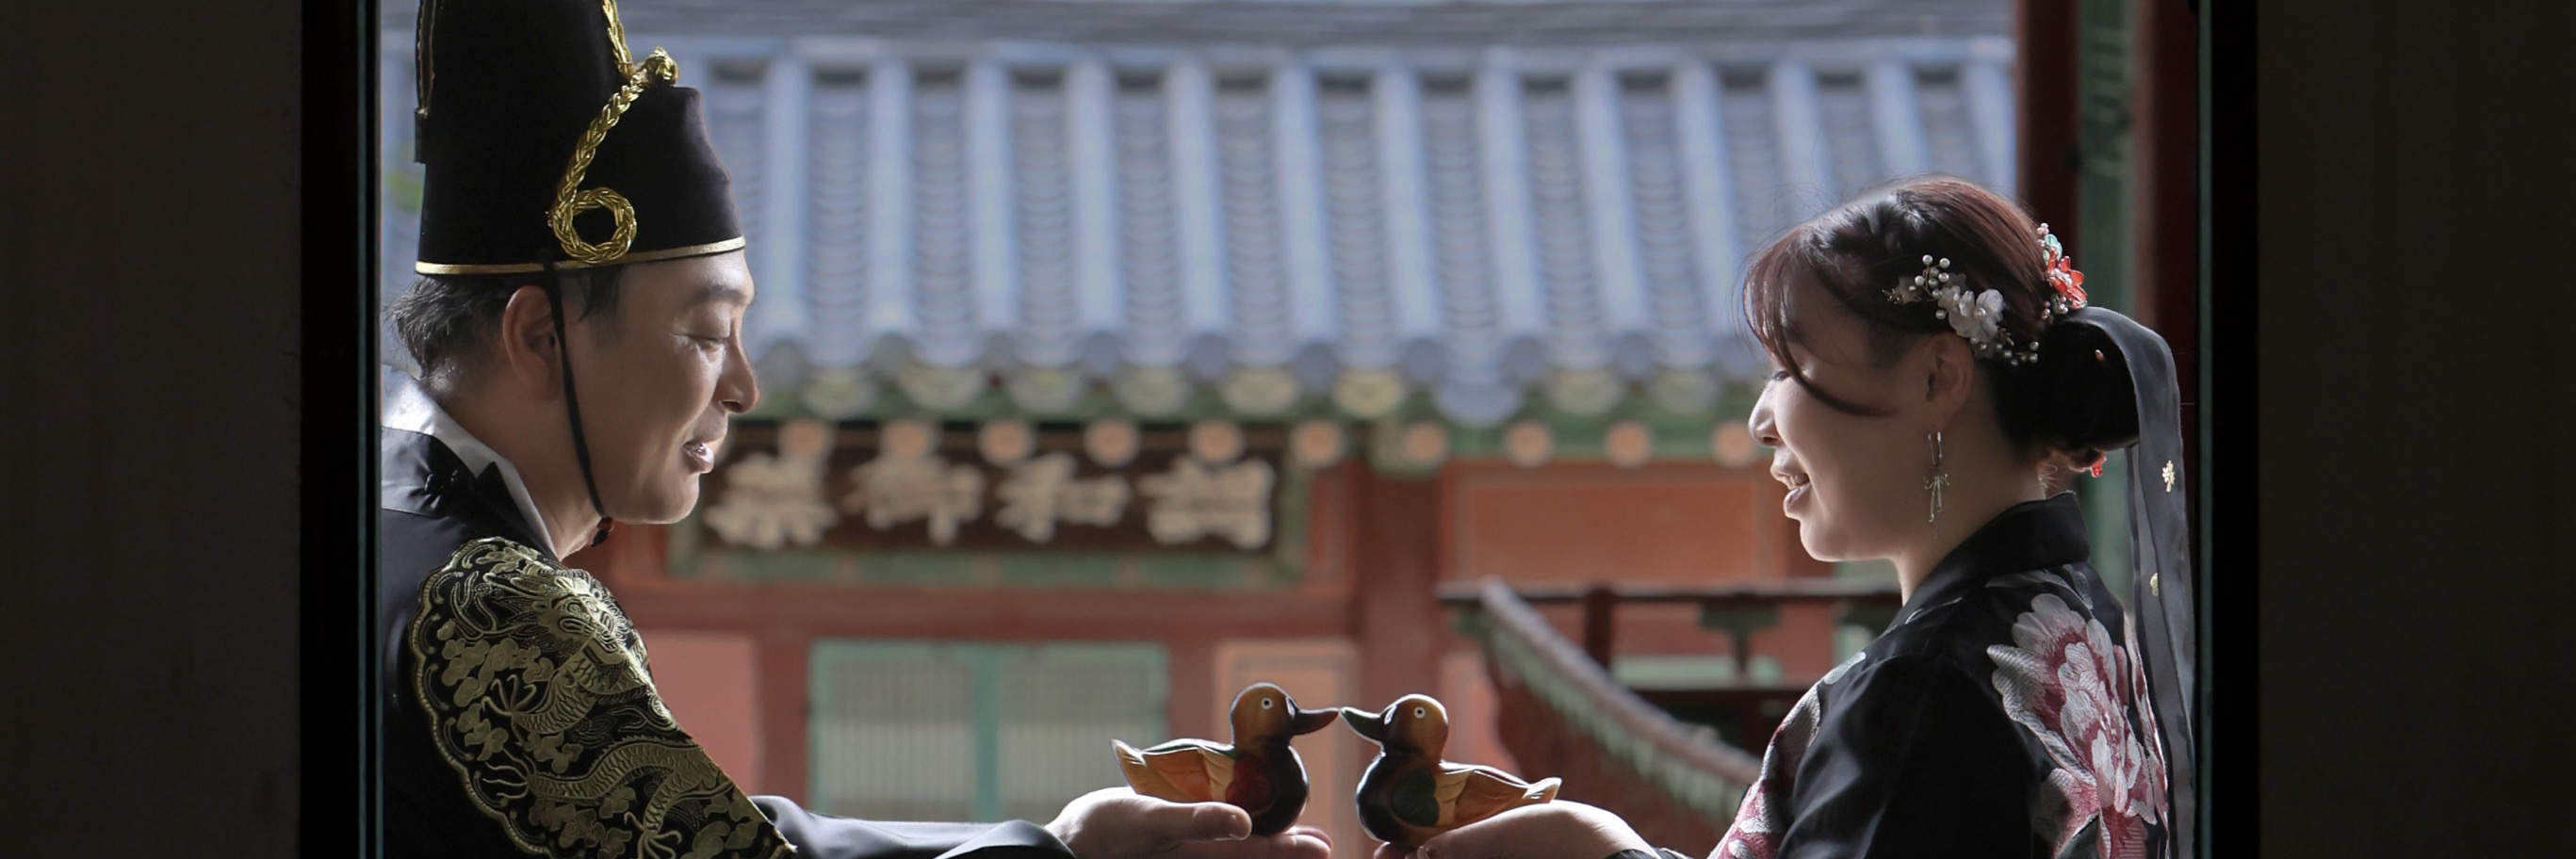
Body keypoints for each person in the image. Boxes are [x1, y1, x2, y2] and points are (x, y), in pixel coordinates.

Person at [379, 3, 1338, 859]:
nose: (744, 386)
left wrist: (1050, 847)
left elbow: (724, 827)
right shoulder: (491, 604)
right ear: (540, 335)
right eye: (707, 334)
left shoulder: (385, 519)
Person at [1387, 177, 2197, 859]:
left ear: (1936, 377)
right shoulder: (2083, 623)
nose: (1761, 419)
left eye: (1790, 368)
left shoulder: (1922, 690)